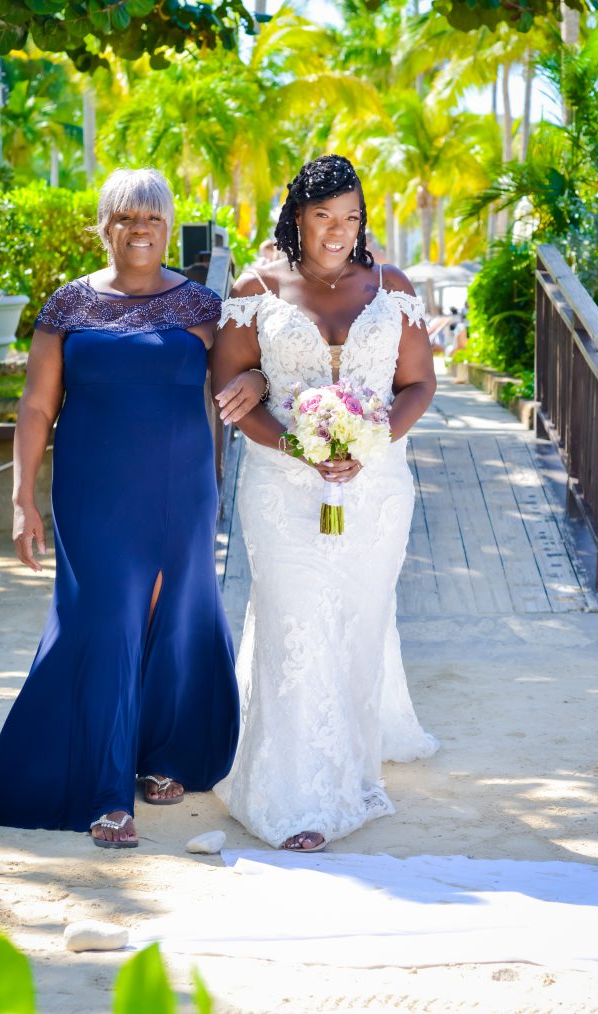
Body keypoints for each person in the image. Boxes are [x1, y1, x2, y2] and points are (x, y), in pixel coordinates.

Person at [0, 169, 266, 848]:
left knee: (173, 616)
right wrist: (21, 500)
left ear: (167, 227)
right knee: (105, 622)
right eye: (126, 217)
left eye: (152, 218)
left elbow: (244, 373)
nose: (140, 229)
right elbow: (35, 406)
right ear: (105, 226)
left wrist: (256, 374)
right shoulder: (69, 304)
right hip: (94, 492)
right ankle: (105, 792)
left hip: (182, 488)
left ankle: (162, 755)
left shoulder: (201, 306)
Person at [211, 155, 439, 852]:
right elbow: (230, 395)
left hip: (376, 491)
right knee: (295, 623)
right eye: (322, 216)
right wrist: (294, 445)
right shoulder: (255, 290)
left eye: (351, 217)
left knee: (358, 624)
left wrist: (374, 441)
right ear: (297, 218)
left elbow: (418, 385)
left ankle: (351, 771)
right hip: (281, 489)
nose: (338, 231)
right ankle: (293, 796)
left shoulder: (393, 288)